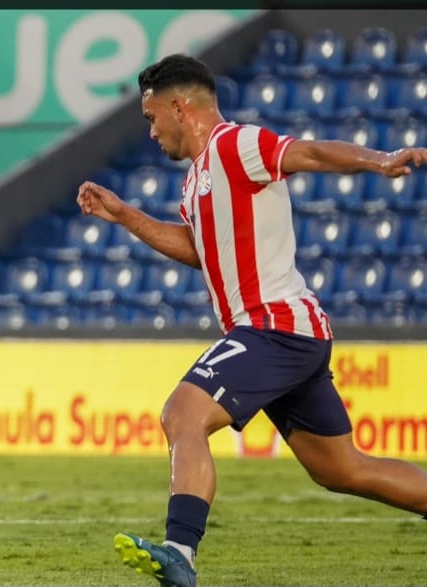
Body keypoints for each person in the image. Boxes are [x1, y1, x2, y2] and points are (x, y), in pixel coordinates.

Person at [77, 54, 427, 587]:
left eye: (151, 119)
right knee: (340, 468)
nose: (152, 133)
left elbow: (306, 152)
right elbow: (200, 249)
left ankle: (179, 552)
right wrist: (125, 215)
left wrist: (381, 161)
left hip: (274, 327)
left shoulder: (235, 145)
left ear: (178, 106)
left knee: (182, 415)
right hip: (286, 334)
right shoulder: (197, 179)